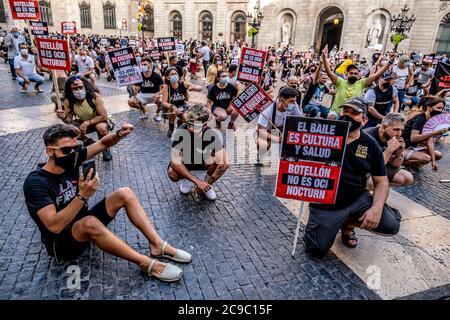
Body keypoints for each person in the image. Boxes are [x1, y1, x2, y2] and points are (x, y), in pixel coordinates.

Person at [23, 123, 191, 282]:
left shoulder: (71, 159)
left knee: (124, 193)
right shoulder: (36, 183)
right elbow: (54, 226)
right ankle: (145, 263)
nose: (73, 153)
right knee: (90, 222)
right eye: (67, 150)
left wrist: (119, 134)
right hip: (61, 243)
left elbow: (103, 143)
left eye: (76, 148)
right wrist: (82, 196)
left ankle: (157, 244)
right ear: (50, 152)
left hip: (84, 222)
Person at [303, 97, 401, 256]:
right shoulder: (324, 136)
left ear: (364, 119)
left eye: (354, 113)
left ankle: (347, 224)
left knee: (391, 224)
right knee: (316, 249)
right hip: (325, 203)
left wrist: (376, 209)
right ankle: (332, 223)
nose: (347, 115)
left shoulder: (370, 145)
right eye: (345, 111)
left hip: (356, 199)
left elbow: (381, 181)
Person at [167, 104, 228, 201]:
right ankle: (185, 179)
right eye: (189, 124)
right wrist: (197, 182)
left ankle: (206, 185)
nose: (190, 128)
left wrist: (206, 184)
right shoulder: (180, 131)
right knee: (172, 173)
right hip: (186, 162)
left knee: (219, 160)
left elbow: (224, 163)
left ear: (204, 125)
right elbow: (175, 162)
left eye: (195, 126)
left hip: (202, 161)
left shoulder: (211, 133)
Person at [322, 46, 395, 114]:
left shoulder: (361, 83)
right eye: (351, 73)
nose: (353, 75)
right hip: (336, 113)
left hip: (352, 115)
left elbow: (377, 74)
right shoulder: (340, 82)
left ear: (358, 75)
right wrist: (324, 58)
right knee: (331, 116)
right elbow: (329, 72)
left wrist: (390, 62)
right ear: (346, 74)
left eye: (355, 73)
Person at [57, 75, 113, 161]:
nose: (78, 90)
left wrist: (87, 123)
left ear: (85, 86)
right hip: (84, 121)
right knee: (68, 130)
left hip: (102, 120)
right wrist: (63, 116)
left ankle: (105, 148)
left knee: (101, 127)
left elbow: (104, 117)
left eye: (80, 87)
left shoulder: (95, 96)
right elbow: (69, 121)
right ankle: (88, 141)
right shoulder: (68, 100)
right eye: (75, 89)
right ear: (70, 90)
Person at [364, 113, 414, 187]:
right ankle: (367, 189)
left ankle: (378, 188)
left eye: (401, 130)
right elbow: (372, 167)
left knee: (407, 178)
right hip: (364, 169)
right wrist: (389, 150)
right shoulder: (367, 138)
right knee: (373, 181)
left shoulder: (391, 138)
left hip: (380, 165)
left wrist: (400, 151)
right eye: (396, 129)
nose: (399, 134)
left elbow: (395, 165)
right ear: (384, 127)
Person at [256, 86, 302, 164]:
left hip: (281, 131)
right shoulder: (268, 108)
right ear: (281, 100)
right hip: (266, 131)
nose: (294, 104)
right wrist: (278, 139)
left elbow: (299, 123)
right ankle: (260, 155)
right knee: (263, 144)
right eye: (291, 101)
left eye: (295, 101)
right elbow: (260, 131)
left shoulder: (294, 107)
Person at [402, 96, 447, 171]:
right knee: (427, 158)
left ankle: (412, 164)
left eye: (442, 108)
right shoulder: (420, 119)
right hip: (403, 147)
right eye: (438, 108)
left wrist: (433, 162)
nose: (441, 111)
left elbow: (430, 143)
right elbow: (413, 138)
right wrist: (434, 133)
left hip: (413, 147)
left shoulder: (431, 121)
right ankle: (401, 163)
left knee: (437, 155)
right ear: (429, 108)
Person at [161, 67, 202, 137]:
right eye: (172, 74)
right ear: (168, 77)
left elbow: (200, 88)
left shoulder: (183, 83)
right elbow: (163, 103)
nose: (174, 75)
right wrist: (173, 106)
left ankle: (181, 121)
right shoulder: (166, 87)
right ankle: (171, 127)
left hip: (182, 106)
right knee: (172, 110)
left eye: (175, 74)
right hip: (171, 108)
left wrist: (193, 87)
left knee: (188, 118)